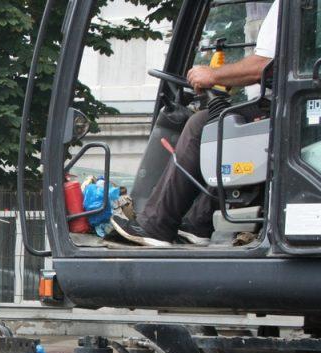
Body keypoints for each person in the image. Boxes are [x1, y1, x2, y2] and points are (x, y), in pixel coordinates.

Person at [110, 1, 278, 246]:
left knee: (203, 125)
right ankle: (198, 223)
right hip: (277, 105)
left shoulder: (289, 7)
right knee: (220, 125)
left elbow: (264, 65)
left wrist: (214, 75)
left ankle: (156, 224)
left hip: (281, 110)